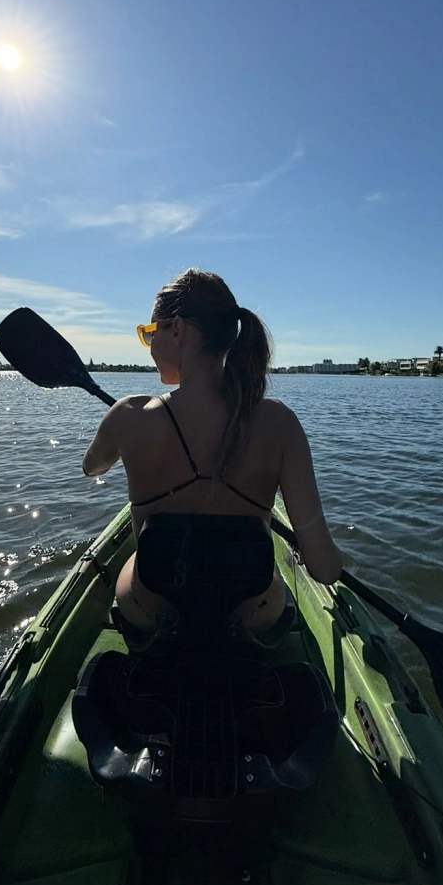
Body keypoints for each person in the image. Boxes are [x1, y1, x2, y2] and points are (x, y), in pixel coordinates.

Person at [82, 269, 342, 636]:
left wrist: (117, 430)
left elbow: (91, 467)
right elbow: (326, 570)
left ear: (177, 329)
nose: (149, 346)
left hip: (151, 610)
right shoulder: (280, 423)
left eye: (149, 334)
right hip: (251, 616)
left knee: (136, 566)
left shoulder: (128, 415)